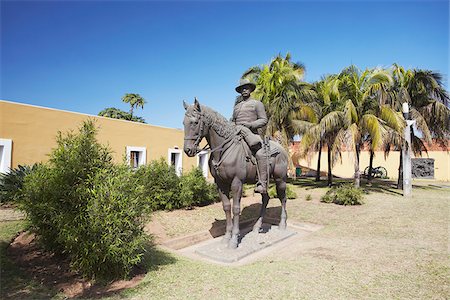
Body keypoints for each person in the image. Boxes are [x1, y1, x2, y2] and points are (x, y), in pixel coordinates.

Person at [231, 78, 269, 194]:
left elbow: (264, 120)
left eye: (246, 88)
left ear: (251, 90)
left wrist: (251, 124)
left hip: (252, 134)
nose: (244, 90)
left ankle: (262, 183)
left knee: (260, 153)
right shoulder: (237, 107)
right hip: (237, 134)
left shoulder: (257, 104)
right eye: (242, 89)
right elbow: (233, 120)